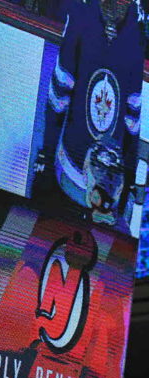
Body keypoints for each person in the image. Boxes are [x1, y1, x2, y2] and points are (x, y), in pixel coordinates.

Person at [33, 0, 145, 229]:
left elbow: (132, 118)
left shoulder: (135, 29)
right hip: (69, 177)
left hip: (106, 189)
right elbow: (59, 98)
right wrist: (46, 157)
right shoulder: (83, 14)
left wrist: (129, 178)